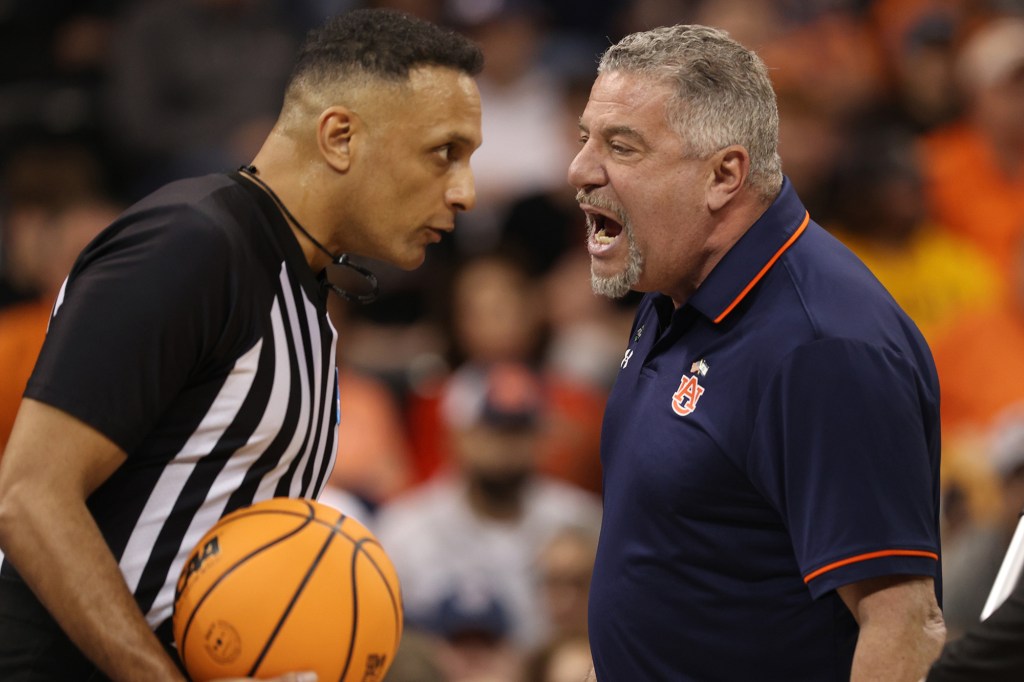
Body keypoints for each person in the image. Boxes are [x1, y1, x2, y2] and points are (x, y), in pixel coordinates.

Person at [0, 8, 483, 681]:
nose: (465, 192)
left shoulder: (305, 292)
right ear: (340, 136)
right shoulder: (191, 245)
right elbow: (28, 494)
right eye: (444, 153)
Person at [569, 24, 944, 680]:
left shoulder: (823, 349)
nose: (579, 170)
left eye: (621, 147)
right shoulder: (672, 284)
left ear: (723, 175)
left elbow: (904, 626)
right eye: (585, 139)